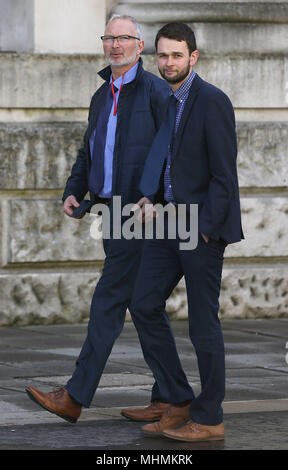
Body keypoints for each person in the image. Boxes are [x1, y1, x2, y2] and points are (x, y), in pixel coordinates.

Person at [25, 14, 171, 424]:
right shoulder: (101, 95)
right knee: (146, 307)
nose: (115, 45)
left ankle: (75, 395)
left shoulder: (158, 93)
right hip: (108, 211)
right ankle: (169, 395)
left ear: (140, 46)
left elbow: (170, 155)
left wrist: (154, 198)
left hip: (140, 215)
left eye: (124, 38)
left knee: (109, 300)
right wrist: (74, 189)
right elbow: (89, 152)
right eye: (109, 37)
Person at [123, 22, 244, 442]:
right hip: (168, 222)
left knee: (201, 323)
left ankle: (209, 418)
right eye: (163, 54)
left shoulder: (212, 101)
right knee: (143, 303)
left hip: (201, 228)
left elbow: (224, 175)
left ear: (193, 57)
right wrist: (152, 197)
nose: (168, 62)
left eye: (177, 55)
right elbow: (171, 160)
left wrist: (207, 231)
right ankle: (178, 399)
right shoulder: (170, 100)